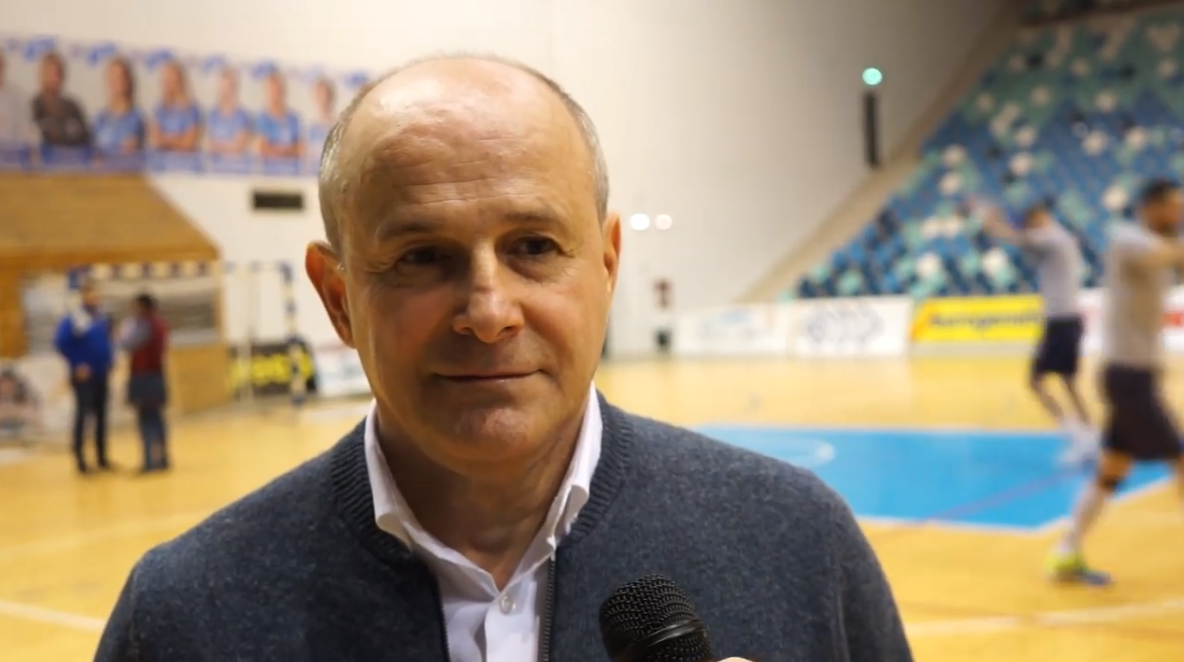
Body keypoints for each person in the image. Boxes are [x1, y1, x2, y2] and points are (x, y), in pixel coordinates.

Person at [95, 55, 912, 662]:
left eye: (534, 246)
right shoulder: (181, 617)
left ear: (607, 266)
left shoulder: (801, 547)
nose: (488, 313)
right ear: (338, 298)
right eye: (421, 257)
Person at [1047, 178, 1184, 584]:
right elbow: (1165, 254)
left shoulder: (1160, 245)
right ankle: (1066, 550)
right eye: (1173, 205)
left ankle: (1066, 551)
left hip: (1134, 377)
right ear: (1150, 207)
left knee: (1111, 470)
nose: (1178, 212)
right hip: (1128, 378)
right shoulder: (1128, 239)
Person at [979, 199, 1094, 462]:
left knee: (1037, 381)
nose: (1029, 227)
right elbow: (1026, 244)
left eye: (1030, 222)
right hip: (1065, 320)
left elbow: (1017, 238)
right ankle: (1086, 436)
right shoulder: (1059, 238)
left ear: (1040, 217)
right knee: (1067, 381)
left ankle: (1078, 436)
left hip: (1061, 321)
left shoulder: (1052, 238)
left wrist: (992, 221)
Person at [53, 280, 114, 474]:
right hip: (83, 376)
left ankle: (102, 458)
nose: (95, 298)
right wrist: (77, 364)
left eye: (97, 295)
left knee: (101, 416)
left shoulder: (101, 317)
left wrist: (110, 360)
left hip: (101, 373)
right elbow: (61, 343)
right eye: (92, 295)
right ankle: (80, 460)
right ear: (84, 296)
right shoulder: (75, 318)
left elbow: (106, 342)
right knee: (83, 416)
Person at [119, 293, 170, 473]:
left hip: (144, 376)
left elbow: (127, 344)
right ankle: (163, 459)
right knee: (157, 418)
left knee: (146, 420)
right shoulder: (160, 324)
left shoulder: (144, 325)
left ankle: (149, 462)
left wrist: (123, 330)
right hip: (156, 375)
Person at [31, 50, 91, 149]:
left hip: (72, 157)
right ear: (42, 75)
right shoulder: (32, 108)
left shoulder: (73, 108)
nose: (55, 78)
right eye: (50, 73)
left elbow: (87, 141)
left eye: (58, 73)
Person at [92, 56, 146, 156]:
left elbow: (131, 148)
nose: (117, 81)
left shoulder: (136, 118)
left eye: (121, 77)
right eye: (113, 77)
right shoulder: (99, 119)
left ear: (128, 81)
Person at [149, 59, 201, 152]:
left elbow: (189, 142)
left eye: (172, 78)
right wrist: (178, 139)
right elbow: (156, 140)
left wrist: (167, 139)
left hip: (184, 160)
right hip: (162, 159)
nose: (169, 83)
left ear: (180, 80)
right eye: (167, 79)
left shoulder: (192, 109)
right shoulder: (159, 109)